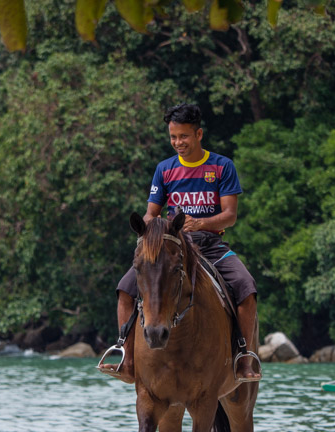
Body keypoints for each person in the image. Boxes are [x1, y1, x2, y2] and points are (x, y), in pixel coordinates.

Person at [101, 103, 261, 384]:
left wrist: (199, 223)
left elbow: (230, 216)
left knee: (246, 287)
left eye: (184, 137)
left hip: (210, 244)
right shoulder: (164, 169)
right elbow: (152, 212)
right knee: (125, 290)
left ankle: (243, 357)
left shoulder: (222, 166)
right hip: (173, 246)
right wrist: (151, 225)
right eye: (173, 137)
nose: (178, 143)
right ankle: (127, 357)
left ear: (198, 134)